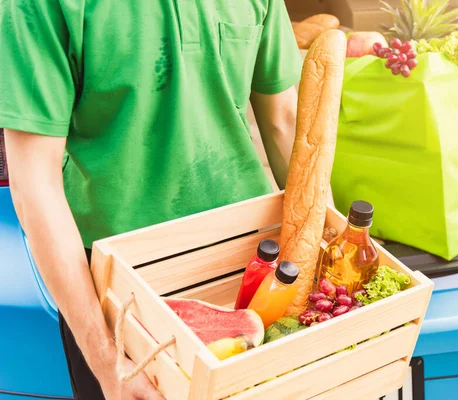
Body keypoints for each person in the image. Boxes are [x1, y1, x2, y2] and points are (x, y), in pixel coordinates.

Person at [0, 0, 304, 398]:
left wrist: (324, 252)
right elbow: (34, 183)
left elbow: (284, 120)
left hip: (250, 264)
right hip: (117, 290)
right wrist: (108, 362)